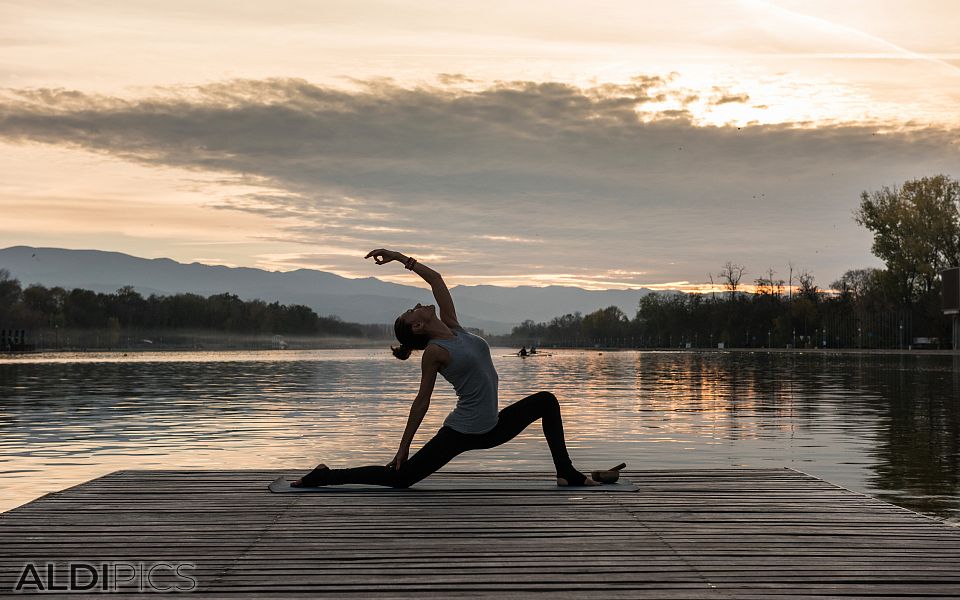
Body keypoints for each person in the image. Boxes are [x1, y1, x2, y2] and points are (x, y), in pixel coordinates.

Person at [292, 248, 600, 488]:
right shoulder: (436, 353)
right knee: (401, 478)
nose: (417, 304)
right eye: (411, 310)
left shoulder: (454, 327)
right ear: (416, 326)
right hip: (463, 431)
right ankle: (325, 476)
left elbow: (436, 279)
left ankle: (566, 473)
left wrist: (400, 258)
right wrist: (403, 447)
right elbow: (421, 402)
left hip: (492, 425)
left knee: (546, 401)